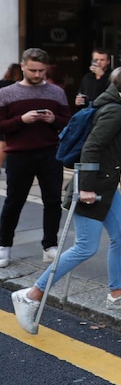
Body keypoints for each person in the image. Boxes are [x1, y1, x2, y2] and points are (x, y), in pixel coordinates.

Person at [11, 66, 121, 333]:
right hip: (93, 188)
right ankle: (31, 295)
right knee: (85, 247)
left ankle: (117, 295)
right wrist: (86, 187)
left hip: (107, 186)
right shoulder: (115, 111)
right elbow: (92, 147)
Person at [0, 48, 71, 268]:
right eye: (33, 70)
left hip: (50, 153)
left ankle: (50, 246)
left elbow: (67, 122)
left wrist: (53, 119)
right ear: (22, 66)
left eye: (41, 70)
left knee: (52, 201)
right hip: (19, 154)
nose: (37, 74)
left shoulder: (57, 92)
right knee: (14, 201)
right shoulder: (7, 93)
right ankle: (4, 246)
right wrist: (21, 119)